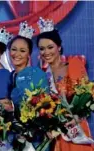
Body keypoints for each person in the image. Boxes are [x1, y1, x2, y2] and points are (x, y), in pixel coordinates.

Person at [36, 17, 94, 151]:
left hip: (76, 130)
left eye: (50, 47)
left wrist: (77, 117)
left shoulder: (73, 64)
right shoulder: (43, 75)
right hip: (58, 134)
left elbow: (87, 96)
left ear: (59, 47)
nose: (46, 52)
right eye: (42, 48)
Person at [9, 21, 50, 151]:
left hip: (35, 139)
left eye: (22, 51)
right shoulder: (8, 76)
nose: (17, 54)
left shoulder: (38, 74)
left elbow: (46, 107)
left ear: (29, 53)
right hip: (12, 139)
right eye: (13, 49)